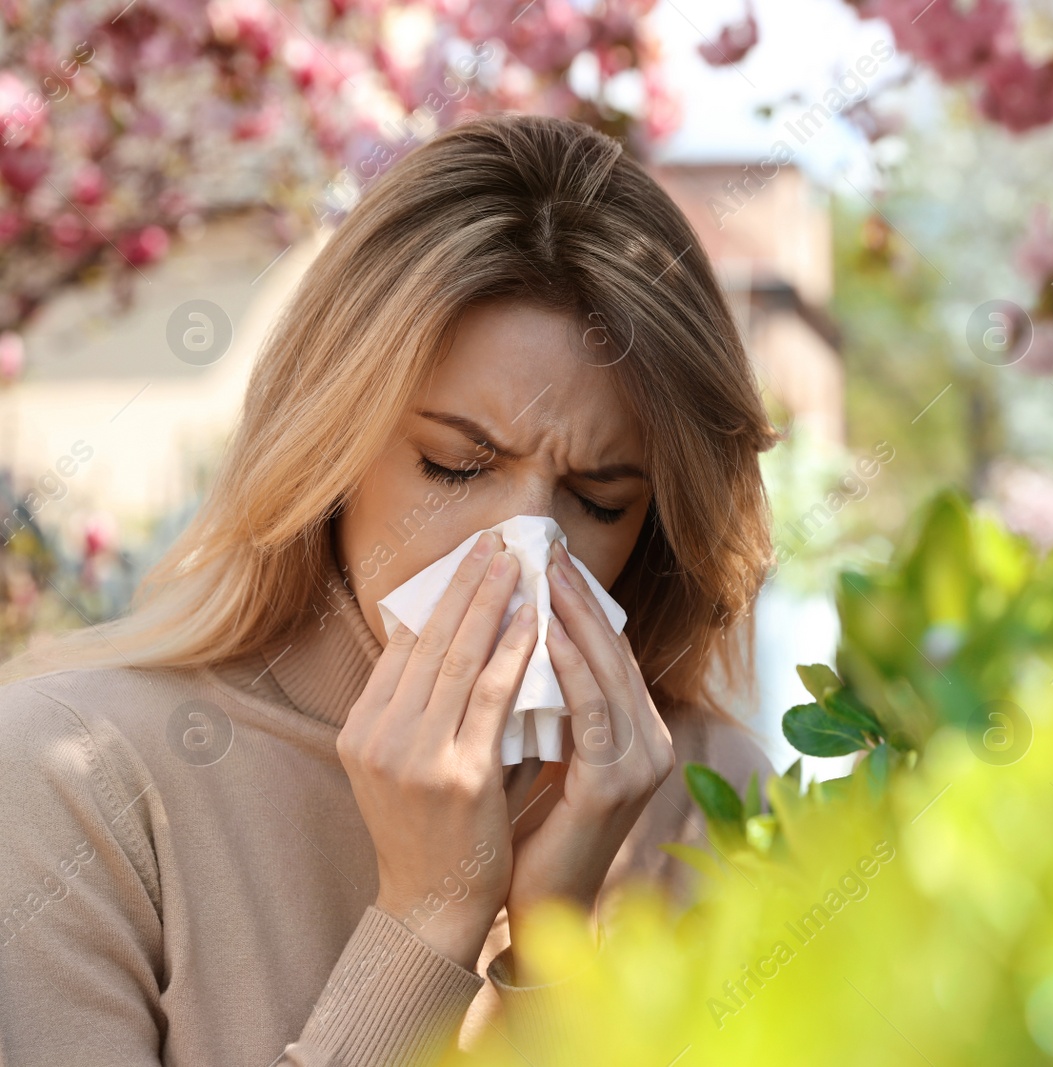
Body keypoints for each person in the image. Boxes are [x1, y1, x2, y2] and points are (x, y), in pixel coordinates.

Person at [0, 113, 778, 1066]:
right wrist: (427, 920)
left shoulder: (706, 791)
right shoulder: (68, 779)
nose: (523, 550)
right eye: (456, 465)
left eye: (598, 499)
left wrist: (556, 960)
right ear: (331, 444)